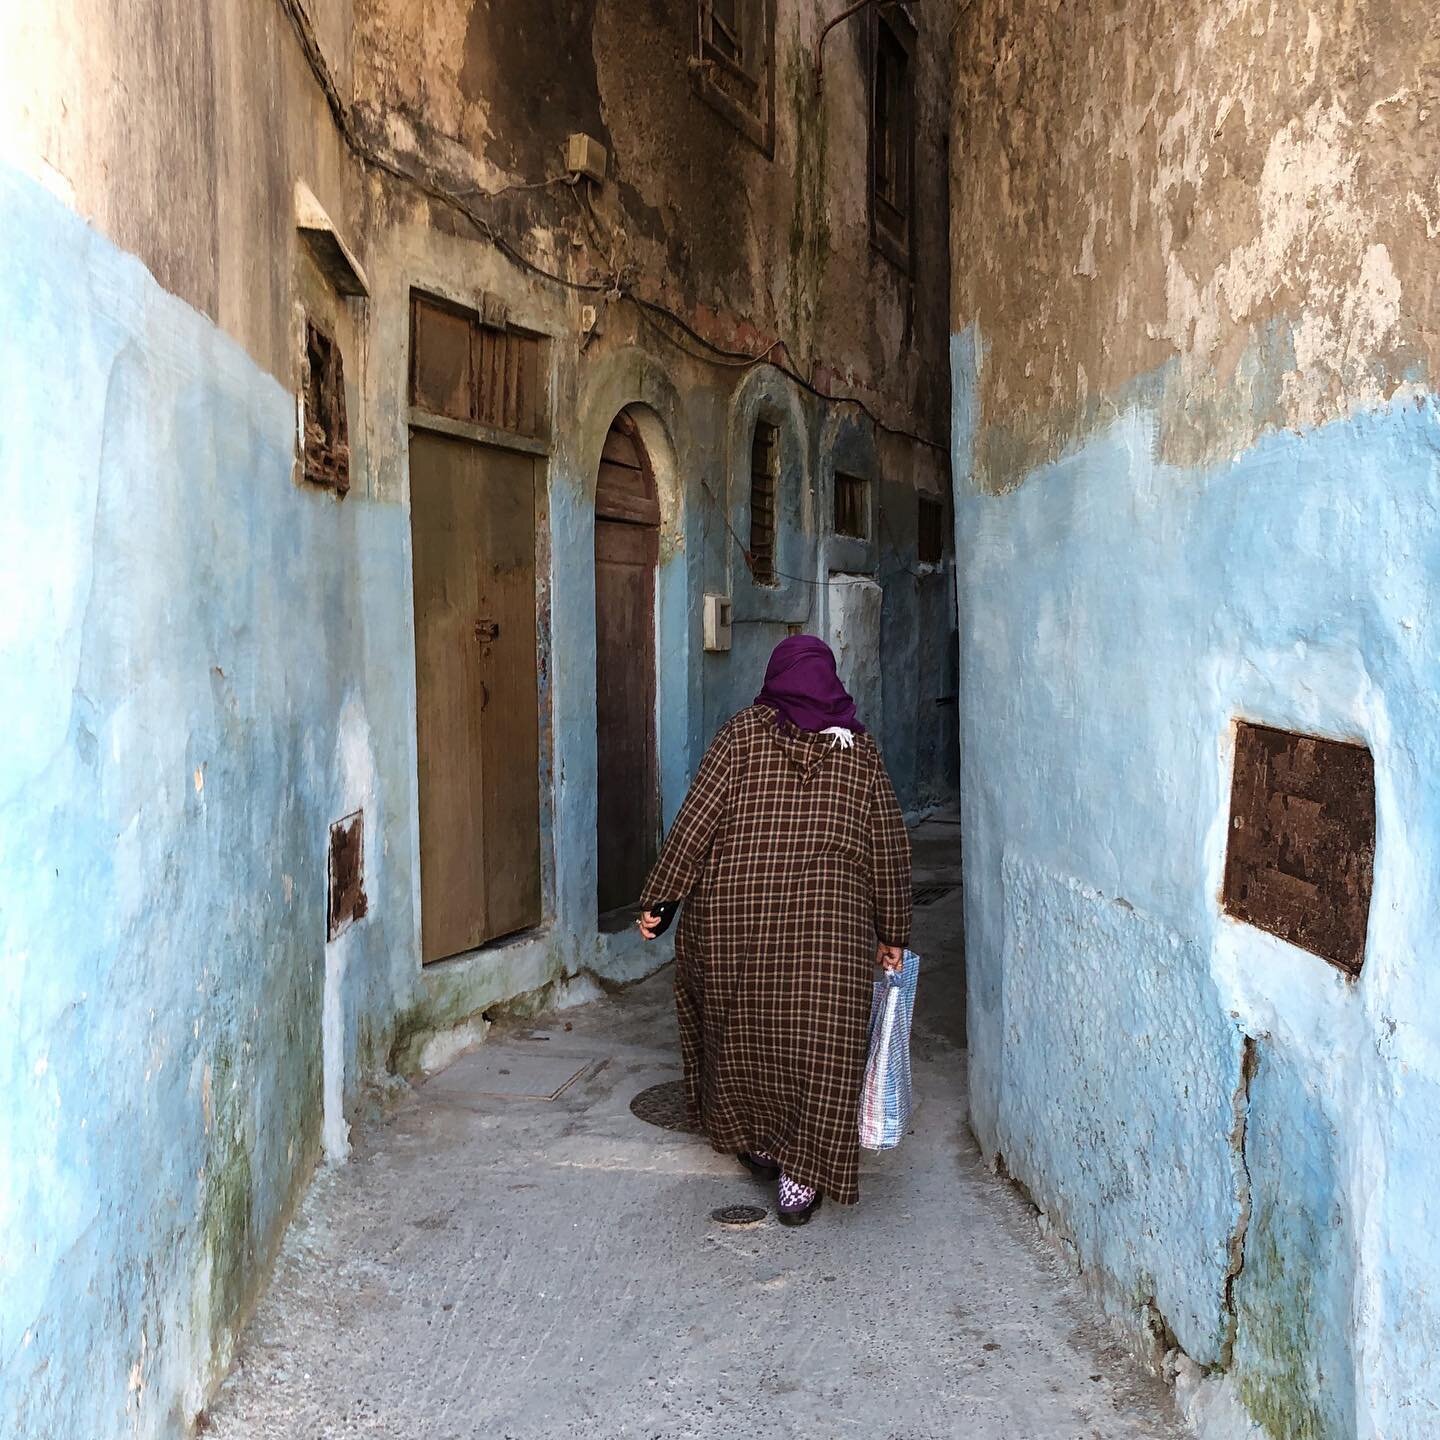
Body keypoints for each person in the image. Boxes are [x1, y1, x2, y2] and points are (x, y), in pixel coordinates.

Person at [637, 635, 911, 1225]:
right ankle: (801, 1175)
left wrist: (661, 898)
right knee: (821, 1047)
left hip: (738, 923)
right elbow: (887, 847)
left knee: (746, 1033)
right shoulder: (859, 753)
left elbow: (696, 822)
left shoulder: (742, 735)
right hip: (827, 938)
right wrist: (893, 930)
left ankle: (760, 1140)